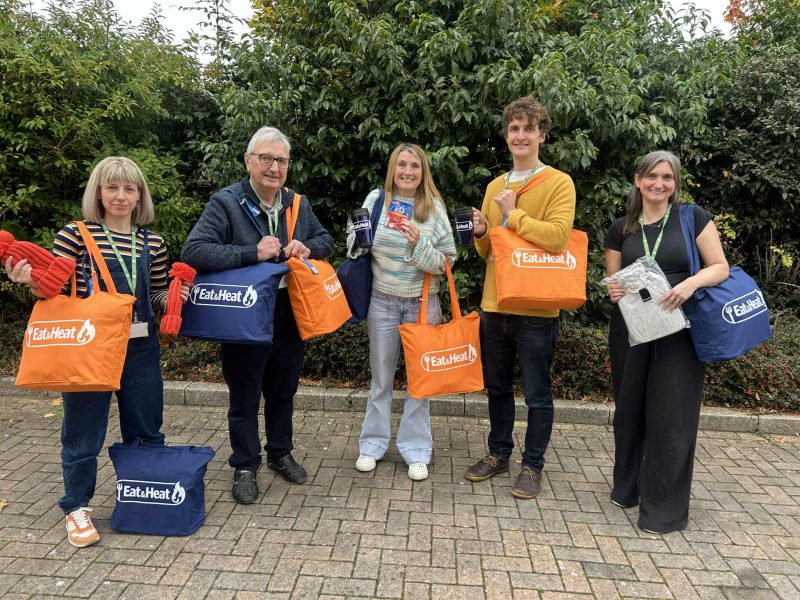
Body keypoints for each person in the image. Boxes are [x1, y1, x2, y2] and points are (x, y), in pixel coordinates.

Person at [4, 156, 189, 548]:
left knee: (145, 428)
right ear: (99, 192)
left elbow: (153, 296)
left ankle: (142, 495)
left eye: (130, 188)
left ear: (140, 195)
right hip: (88, 346)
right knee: (83, 433)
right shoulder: (75, 234)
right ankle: (76, 506)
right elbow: (55, 290)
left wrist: (176, 297)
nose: (121, 196)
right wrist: (31, 282)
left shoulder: (152, 242)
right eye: (112, 188)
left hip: (140, 348)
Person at [181, 126, 333, 504]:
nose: (274, 167)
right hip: (243, 311)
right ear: (248, 160)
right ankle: (245, 464)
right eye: (265, 158)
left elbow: (326, 241)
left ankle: (280, 454)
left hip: (288, 312)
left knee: (283, 390)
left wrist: (307, 247)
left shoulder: (298, 203)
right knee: (245, 395)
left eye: (281, 160)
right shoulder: (227, 202)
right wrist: (253, 252)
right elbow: (195, 251)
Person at [604, 150, 728, 533]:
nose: (659, 184)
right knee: (629, 411)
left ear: (675, 183)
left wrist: (689, 284)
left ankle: (664, 510)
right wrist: (613, 290)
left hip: (680, 331)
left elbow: (720, 267)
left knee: (671, 416)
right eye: (652, 176)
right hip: (632, 331)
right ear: (638, 180)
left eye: (667, 177)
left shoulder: (693, 219)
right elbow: (614, 279)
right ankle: (628, 487)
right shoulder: (621, 227)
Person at [464, 97, 576, 499]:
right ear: (507, 136)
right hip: (496, 305)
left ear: (542, 135)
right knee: (496, 388)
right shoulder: (495, 186)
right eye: (514, 128)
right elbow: (491, 253)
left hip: (537, 310)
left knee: (537, 393)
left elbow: (557, 237)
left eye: (529, 128)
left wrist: (513, 215)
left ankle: (533, 465)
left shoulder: (558, 182)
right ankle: (499, 454)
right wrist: (481, 233)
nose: (521, 135)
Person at [348, 143, 456, 481]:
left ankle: (416, 449)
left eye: (414, 166)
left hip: (422, 304)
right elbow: (355, 248)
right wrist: (355, 234)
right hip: (382, 300)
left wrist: (416, 243)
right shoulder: (376, 200)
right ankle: (373, 444)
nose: (408, 172)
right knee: (381, 378)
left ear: (423, 171)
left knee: (419, 383)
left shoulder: (433, 209)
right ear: (393, 169)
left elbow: (448, 261)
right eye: (401, 165)